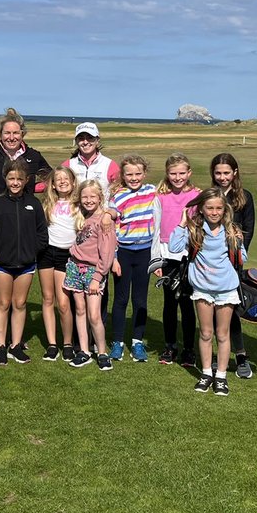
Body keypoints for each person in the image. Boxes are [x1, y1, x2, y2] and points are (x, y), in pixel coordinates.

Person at [169, 187, 246, 397]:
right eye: (209, 208)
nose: (214, 212)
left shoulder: (230, 231)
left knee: (222, 334)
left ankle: (220, 376)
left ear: (224, 209)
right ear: (201, 208)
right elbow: (174, 247)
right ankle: (206, 373)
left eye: (219, 208)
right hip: (202, 289)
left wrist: (238, 242)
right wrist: (183, 222)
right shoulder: (195, 230)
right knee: (205, 333)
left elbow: (242, 258)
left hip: (226, 289)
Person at [0, 159, 48, 365]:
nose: (15, 182)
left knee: (20, 303)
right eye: (11, 178)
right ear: (5, 179)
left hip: (26, 264)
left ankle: (16, 345)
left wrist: (31, 252)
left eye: (19, 179)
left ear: (26, 180)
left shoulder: (34, 204)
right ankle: (2, 345)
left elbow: (42, 234)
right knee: (3, 303)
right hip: (1, 264)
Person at [151, 153, 200, 367]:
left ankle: (189, 349)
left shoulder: (198, 195)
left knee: (188, 305)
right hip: (167, 256)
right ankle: (170, 346)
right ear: (167, 174)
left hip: (188, 258)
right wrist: (156, 260)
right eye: (173, 173)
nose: (178, 177)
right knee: (170, 304)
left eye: (182, 173)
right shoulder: (160, 196)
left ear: (189, 173)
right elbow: (155, 229)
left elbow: (199, 228)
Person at [211, 152, 257, 379]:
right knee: (210, 311)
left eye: (226, 173)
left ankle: (240, 356)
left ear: (234, 173)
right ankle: (214, 356)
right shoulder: (210, 196)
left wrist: (237, 255)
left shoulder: (244, 197)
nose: (222, 177)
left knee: (231, 312)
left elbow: (248, 230)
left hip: (232, 264)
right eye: (218, 173)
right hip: (210, 265)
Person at [109, 154, 158, 362]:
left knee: (140, 300)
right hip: (124, 252)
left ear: (144, 173)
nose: (134, 177)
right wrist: (113, 258)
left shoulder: (153, 191)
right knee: (121, 299)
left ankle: (137, 342)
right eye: (129, 174)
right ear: (123, 175)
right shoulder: (117, 196)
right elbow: (111, 224)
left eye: (138, 173)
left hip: (145, 251)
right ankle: (118, 342)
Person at [64, 179, 116, 370]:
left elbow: (108, 253)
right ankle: (84, 351)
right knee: (80, 310)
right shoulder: (81, 217)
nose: (88, 200)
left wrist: (97, 277)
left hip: (93, 271)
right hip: (74, 268)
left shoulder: (104, 220)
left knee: (94, 315)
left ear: (100, 197)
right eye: (84, 196)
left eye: (93, 196)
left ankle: (102, 352)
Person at [38, 168, 78, 361]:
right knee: (47, 299)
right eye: (58, 179)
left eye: (66, 179)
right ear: (52, 184)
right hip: (47, 253)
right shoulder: (47, 203)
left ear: (73, 182)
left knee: (63, 303)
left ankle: (68, 343)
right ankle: (52, 344)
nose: (62, 182)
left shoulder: (79, 203)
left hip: (67, 255)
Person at [0, 107, 51, 198]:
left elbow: (51, 179)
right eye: (7, 133)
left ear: (22, 134)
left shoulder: (34, 156)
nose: (12, 137)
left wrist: (32, 188)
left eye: (16, 133)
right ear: (0, 134)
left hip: (24, 209)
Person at [63, 122, 120, 192]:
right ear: (76, 141)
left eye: (90, 138)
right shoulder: (68, 165)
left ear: (97, 140)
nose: (85, 142)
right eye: (81, 138)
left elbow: (119, 191)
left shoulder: (110, 165)